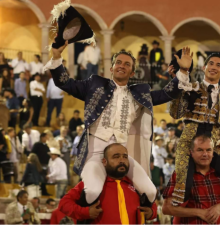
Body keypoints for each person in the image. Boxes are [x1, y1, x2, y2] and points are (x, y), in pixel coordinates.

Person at [45, 31, 185, 207]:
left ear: (132, 71)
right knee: (92, 192)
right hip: (95, 152)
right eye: (118, 62)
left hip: (122, 154)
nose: (122, 66)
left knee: (150, 192)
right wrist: (57, 56)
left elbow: (167, 93)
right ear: (111, 68)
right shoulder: (94, 84)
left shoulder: (139, 93)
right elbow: (64, 82)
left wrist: (183, 71)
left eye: (127, 64)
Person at [169, 52, 220, 205]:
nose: (214, 67)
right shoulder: (190, 88)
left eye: (218, 65)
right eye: (211, 63)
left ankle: (217, 206)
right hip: (188, 145)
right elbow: (175, 113)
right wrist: (177, 85)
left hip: (213, 148)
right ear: (204, 67)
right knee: (183, 188)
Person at [58, 143, 157, 224]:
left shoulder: (135, 185)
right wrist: (86, 212)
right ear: (104, 162)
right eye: (116, 157)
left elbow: (153, 204)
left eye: (125, 157)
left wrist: (151, 213)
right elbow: (64, 204)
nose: (122, 160)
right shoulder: (93, 184)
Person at [162, 134, 220, 224]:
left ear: (213, 152)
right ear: (191, 152)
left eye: (208, 150)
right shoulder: (181, 175)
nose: (205, 154)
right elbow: (166, 208)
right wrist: (199, 212)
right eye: (200, 150)